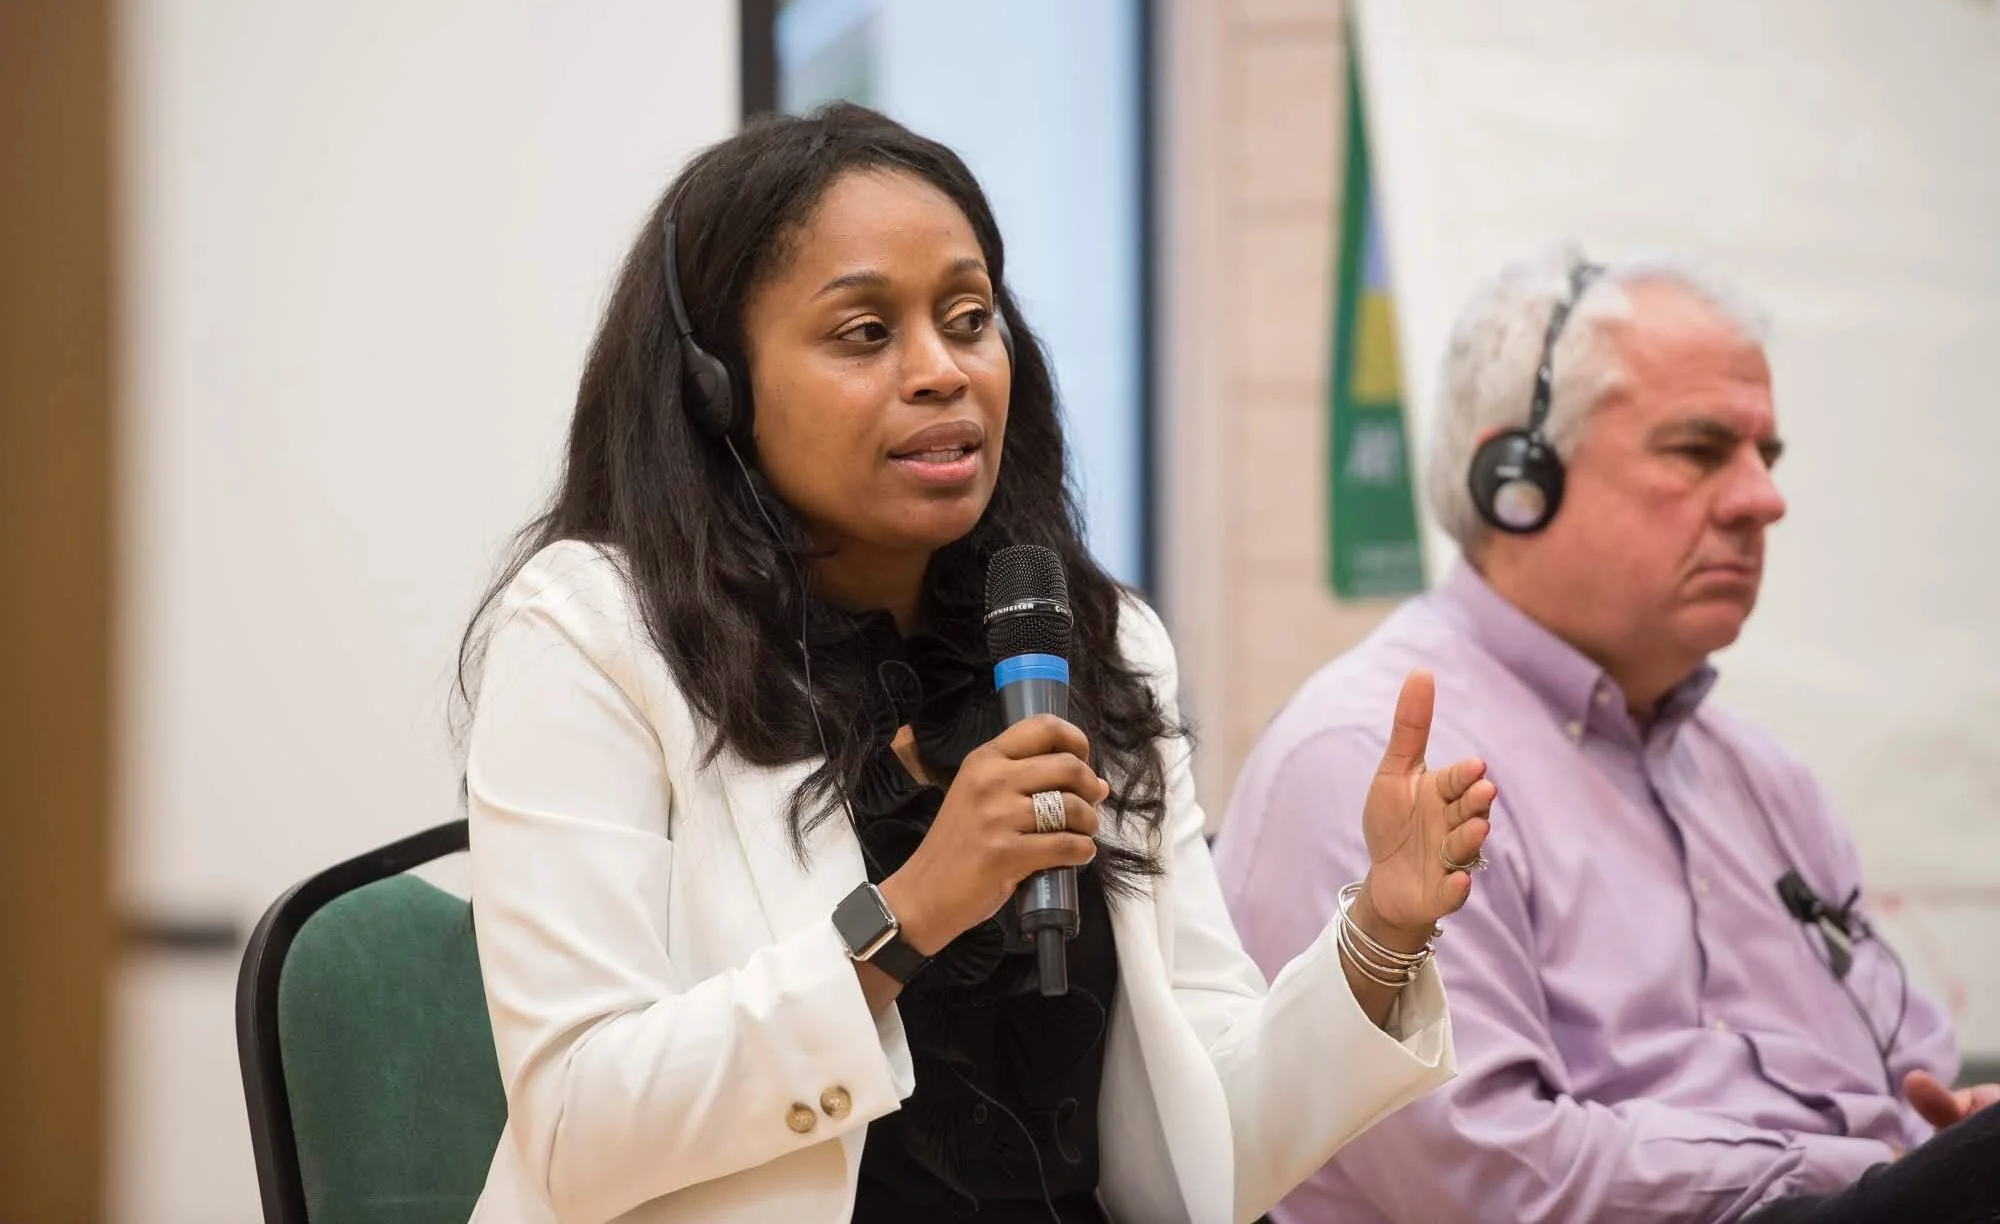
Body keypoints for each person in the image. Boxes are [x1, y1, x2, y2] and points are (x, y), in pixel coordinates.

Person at [454, 103, 1497, 1224]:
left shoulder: (1091, 645)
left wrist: (1378, 936)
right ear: (717, 387)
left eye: (967, 319)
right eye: (864, 333)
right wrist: (907, 914)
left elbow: (1204, 1152)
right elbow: (576, 1127)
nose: (941, 372)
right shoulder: (592, 639)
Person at [1213, 249, 2000, 1223]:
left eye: (1767, 456)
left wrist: (1946, 1133)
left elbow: (1911, 1071)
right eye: (1699, 450)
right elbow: (1486, 1181)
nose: (1763, 499)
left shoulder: (1762, 779)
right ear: (1516, 482)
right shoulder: (1369, 760)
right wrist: (1860, 1175)